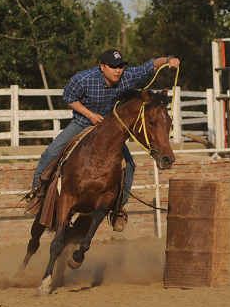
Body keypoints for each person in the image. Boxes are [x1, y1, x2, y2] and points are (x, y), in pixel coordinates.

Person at [26, 49, 181, 231]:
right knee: (52, 151)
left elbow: (150, 66)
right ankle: (38, 191)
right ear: (103, 67)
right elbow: (69, 98)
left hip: (109, 130)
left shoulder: (127, 77)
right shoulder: (84, 79)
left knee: (129, 165)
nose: (118, 70)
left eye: (121, 66)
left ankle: (118, 209)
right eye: (114, 67)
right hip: (82, 122)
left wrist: (168, 59)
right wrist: (90, 115)